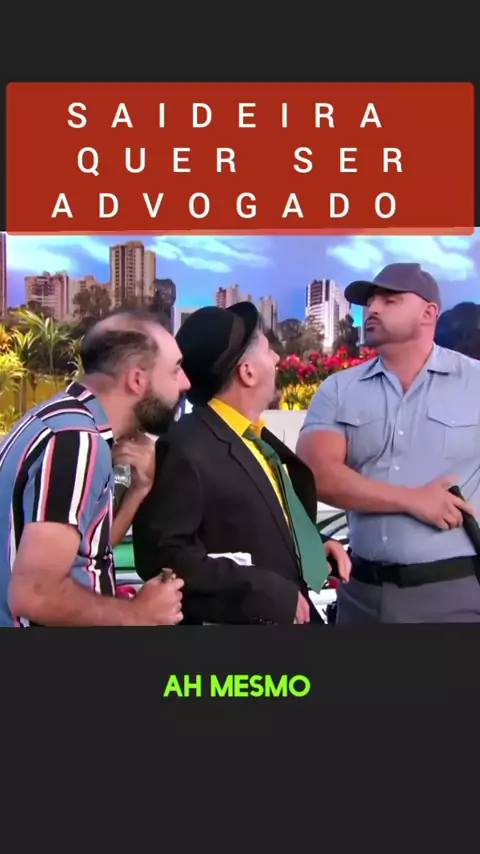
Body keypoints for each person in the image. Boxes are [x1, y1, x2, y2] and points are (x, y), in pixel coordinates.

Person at [132, 302, 350, 625]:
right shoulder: (184, 446)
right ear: (247, 373)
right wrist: (262, 589)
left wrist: (314, 546)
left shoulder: (255, 438)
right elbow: (164, 555)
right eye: (268, 350)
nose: (277, 359)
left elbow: (262, 519)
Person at [296, 262, 480, 623]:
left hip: (454, 594)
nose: (373, 309)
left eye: (390, 300)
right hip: (361, 595)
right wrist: (413, 500)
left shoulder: (474, 383)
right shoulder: (339, 389)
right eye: (370, 302)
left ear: (429, 313)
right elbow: (314, 474)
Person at [0, 310, 190, 627]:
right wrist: (138, 614)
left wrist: (139, 490)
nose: (185, 382)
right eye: (175, 369)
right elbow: (35, 594)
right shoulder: (74, 441)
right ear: (137, 380)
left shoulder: (62, 420)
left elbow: (83, 552)